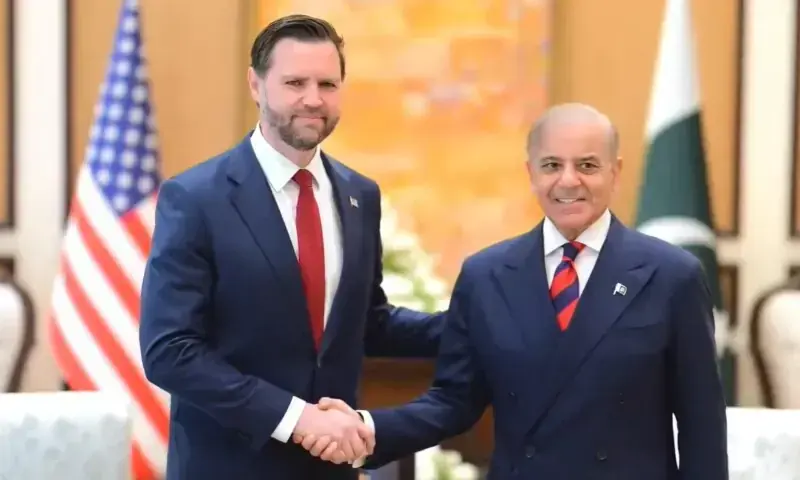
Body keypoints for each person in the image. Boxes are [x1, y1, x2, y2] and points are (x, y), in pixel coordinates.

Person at [298, 103, 729, 479]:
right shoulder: (487, 275)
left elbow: (702, 426)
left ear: (615, 171)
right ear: (531, 172)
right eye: (552, 165)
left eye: (587, 166)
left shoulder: (671, 276)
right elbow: (453, 401)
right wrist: (367, 428)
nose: (568, 181)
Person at [138, 14, 444, 480]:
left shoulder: (360, 195)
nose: (313, 99)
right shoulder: (196, 198)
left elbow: (367, 322)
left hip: (331, 468)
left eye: (327, 84)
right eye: (295, 83)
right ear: (256, 85)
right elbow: (170, 351)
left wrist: (477, 322)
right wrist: (296, 419)